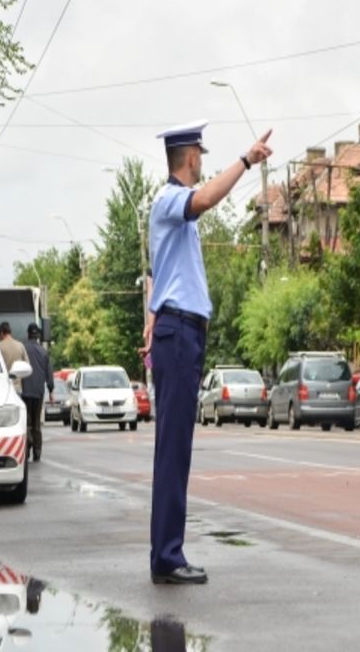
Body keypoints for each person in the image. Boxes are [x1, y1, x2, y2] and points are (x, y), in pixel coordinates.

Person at [139, 119, 272, 585]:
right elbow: (207, 198)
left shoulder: (173, 212)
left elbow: (161, 273)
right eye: (201, 156)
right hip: (179, 333)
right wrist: (246, 160)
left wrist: (151, 315)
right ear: (191, 157)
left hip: (181, 331)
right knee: (173, 451)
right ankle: (166, 557)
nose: (202, 163)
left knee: (176, 449)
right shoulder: (170, 199)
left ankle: (167, 552)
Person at [21, 322, 53, 462]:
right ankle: (37, 452)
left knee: (26, 422)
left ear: (28, 334)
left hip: (25, 391)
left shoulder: (23, 349)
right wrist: (51, 390)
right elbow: (49, 373)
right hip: (39, 392)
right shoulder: (43, 352)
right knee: (36, 423)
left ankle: (27, 448)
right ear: (38, 335)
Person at [0, 322, 29, 395]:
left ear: (1, 333)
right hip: (17, 388)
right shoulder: (20, 346)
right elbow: (27, 366)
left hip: (2, 388)